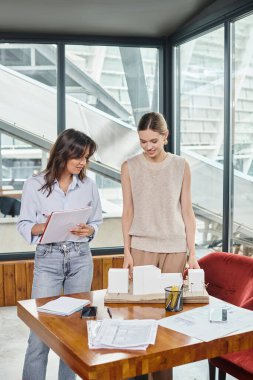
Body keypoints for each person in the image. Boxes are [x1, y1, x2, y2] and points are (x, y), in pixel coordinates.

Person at [17, 128, 102, 380]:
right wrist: (44, 226)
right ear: (63, 154)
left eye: (86, 157)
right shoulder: (34, 185)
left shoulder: (88, 185)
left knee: (75, 332)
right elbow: (23, 224)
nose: (83, 162)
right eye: (79, 157)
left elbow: (96, 221)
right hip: (48, 259)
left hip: (80, 258)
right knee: (40, 331)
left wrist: (90, 229)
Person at [121, 112, 199, 380]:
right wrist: (127, 252)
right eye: (142, 141)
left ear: (166, 136)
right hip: (142, 246)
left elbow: (187, 211)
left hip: (175, 250)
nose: (148, 147)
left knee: (169, 320)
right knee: (139, 317)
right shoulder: (129, 166)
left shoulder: (181, 166)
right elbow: (127, 211)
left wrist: (193, 254)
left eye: (153, 140)